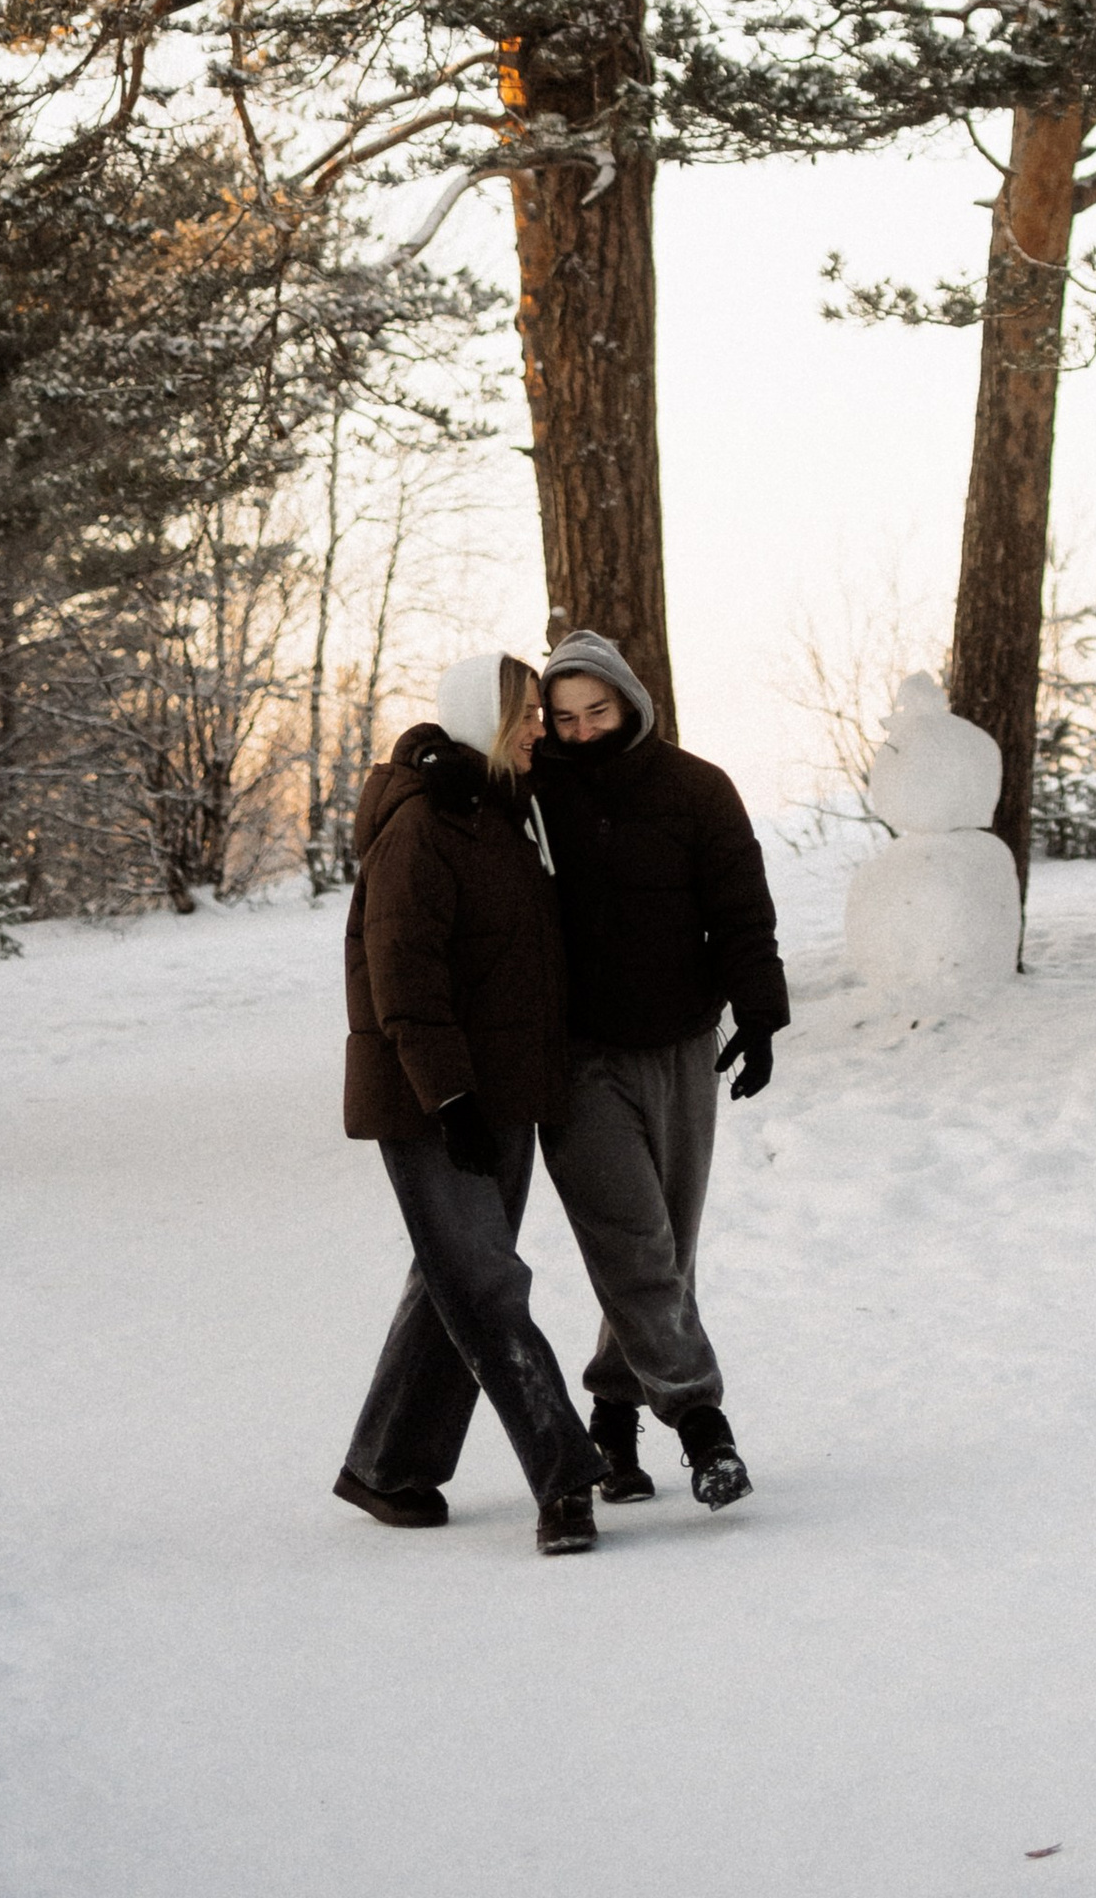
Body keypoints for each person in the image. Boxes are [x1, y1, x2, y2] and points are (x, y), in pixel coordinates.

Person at [334, 653, 607, 1558]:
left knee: (453, 1279)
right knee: (487, 1285)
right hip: (436, 1100)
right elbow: (402, 978)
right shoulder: (423, 824)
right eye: (522, 713)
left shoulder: (504, 811)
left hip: (504, 1094)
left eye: (537, 713)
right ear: (476, 720)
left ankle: (388, 1465)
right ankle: (564, 1475)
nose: (538, 727)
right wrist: (449, 1097)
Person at [534, 629, 790, 1512]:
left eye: (597, 711)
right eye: (564, 718)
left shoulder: (697, 787)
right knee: (634, 1243)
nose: (581, 731)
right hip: (576, 1055)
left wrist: (760, 1013)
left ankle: (611, 1416)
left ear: (632, 703)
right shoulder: (532, 794)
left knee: (665, 1245)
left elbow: (742, 907)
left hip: (681, 1044)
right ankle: (702, 1425)